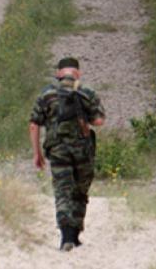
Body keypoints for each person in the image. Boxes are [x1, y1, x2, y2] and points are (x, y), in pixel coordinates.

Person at [29, 57, 105, 251]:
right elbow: (99, 121)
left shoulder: (47, 94)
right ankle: (75, 234)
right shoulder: (87, 92)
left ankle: (65, 237)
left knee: (63, 191)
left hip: (57, 151)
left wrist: (37, 153)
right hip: (82, 151)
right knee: (80, 192)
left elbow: (34, 124)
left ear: (58, 73)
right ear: (77, 73)